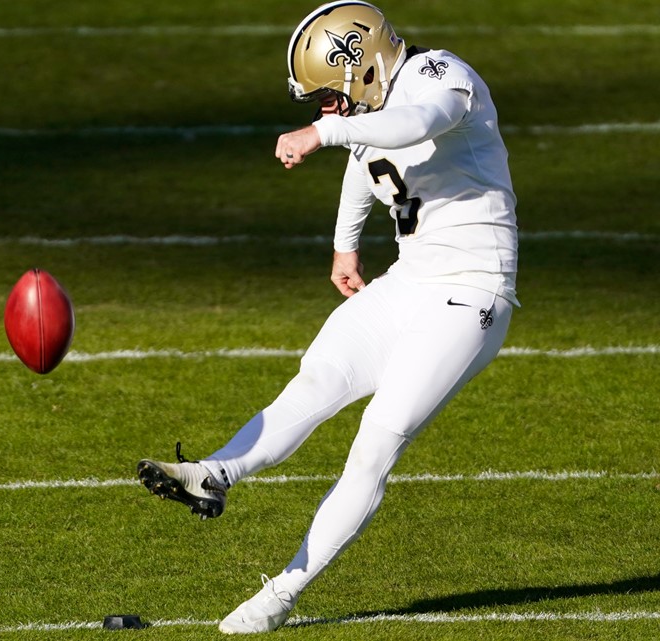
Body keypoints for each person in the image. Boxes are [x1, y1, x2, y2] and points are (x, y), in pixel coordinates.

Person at [137, 0, 518, 633]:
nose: (324, 110)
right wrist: (345, 243)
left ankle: (281, 594)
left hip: (471, 293)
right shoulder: (369, 113)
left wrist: (326, 133)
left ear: (360, 65)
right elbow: (364, 161)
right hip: (411, 279)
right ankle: (214, 473)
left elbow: (412, 124)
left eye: (327, 95)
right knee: (314, 381)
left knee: (375, 442)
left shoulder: (441, 74)